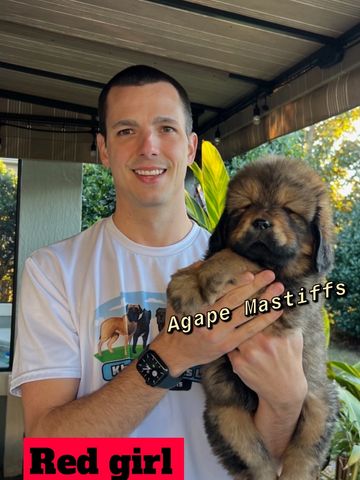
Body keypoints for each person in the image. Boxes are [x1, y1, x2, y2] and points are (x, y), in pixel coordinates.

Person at [10, 65, 307, 479]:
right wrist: (173, 353)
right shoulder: (54, 270)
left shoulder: (251, 275)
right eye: (126, 131)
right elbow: (47, 451)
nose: (148, 146)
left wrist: (289, 401)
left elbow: (265, 461)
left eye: (166, 128)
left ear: (190, 148)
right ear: (104, 149)